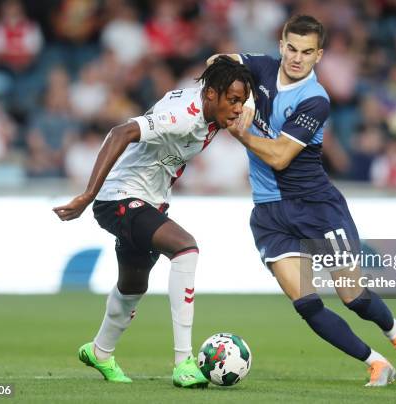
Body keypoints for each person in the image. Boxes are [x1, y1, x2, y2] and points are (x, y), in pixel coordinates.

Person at [208, 15, 396, 387]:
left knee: (352, 296)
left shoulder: (315, 99)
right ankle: (376, 363)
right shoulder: (260, 68)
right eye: (292, 48)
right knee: (306, 304)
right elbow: (215, 61)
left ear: (319, 55)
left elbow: (279, 156)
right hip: (269, 213)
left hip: (317, 208)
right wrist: (232, 90)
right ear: (281, 45)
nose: (297, 58)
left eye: (307, 52)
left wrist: (242, 132)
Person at [52, 56, 254, 387]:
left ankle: (99, 352)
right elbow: (121, 131)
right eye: (232, 101)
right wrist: (88, 194)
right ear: (211, 94)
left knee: (133, 286)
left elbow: (241, 87)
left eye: (241, 102)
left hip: (151, 201)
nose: (237, 109)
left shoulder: (215, 107)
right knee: (186, 248)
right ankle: (184, 361)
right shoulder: (183, 117)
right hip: (118, 197)